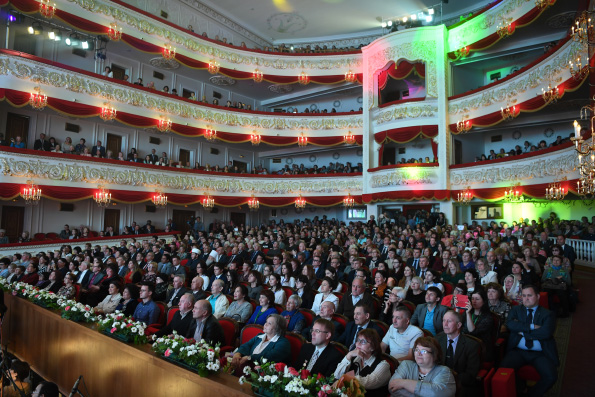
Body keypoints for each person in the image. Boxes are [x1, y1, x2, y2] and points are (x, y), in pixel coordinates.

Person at [500, 284, 559, 397]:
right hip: (518, 351)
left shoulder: (548, 314)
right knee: (504, 368)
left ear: (537, 296)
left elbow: (546, 333)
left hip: (540, 353)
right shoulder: (516, 310)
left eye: (529, 295)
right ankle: (521, 389)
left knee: (551, 376)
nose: (526, 298)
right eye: (524, 295)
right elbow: (510, 324)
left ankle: (531, 394)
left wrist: (522, 332)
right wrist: (532, 327)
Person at [389, 336, 456, 397]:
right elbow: (392, 387)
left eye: (423, 351)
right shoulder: (406, 365)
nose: (418, 354)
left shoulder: (444, 371)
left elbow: (437, 394)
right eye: (417, 350)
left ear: (434, 355)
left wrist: (404, 383)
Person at [334, 328, 391, 397]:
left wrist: (345, 379)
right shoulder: (354, 357)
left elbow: (368, 382)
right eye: (358, 340)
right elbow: (337, 375)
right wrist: (349, 355)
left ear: (373, 347)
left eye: (363, 341)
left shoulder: (383, 365)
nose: (358, 343)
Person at [437, 310, 481, 397]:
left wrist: (449, 379)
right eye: (443, 320)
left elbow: (470, 375)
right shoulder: (437, 340)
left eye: (449, 321)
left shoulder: (471, 345)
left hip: (460, 384)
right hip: (438, 381)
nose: (445, 324)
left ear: (458, 325)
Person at [462, 288, 494, 362]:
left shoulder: (488, 317)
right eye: (472, 299)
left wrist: (468, 313)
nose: (474, 301)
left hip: (479, 345)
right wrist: (457, 308)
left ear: (484, 301)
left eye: (477, 299)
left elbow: (472, 331)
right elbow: (458, 324)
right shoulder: (469, 312)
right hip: (465, 342)